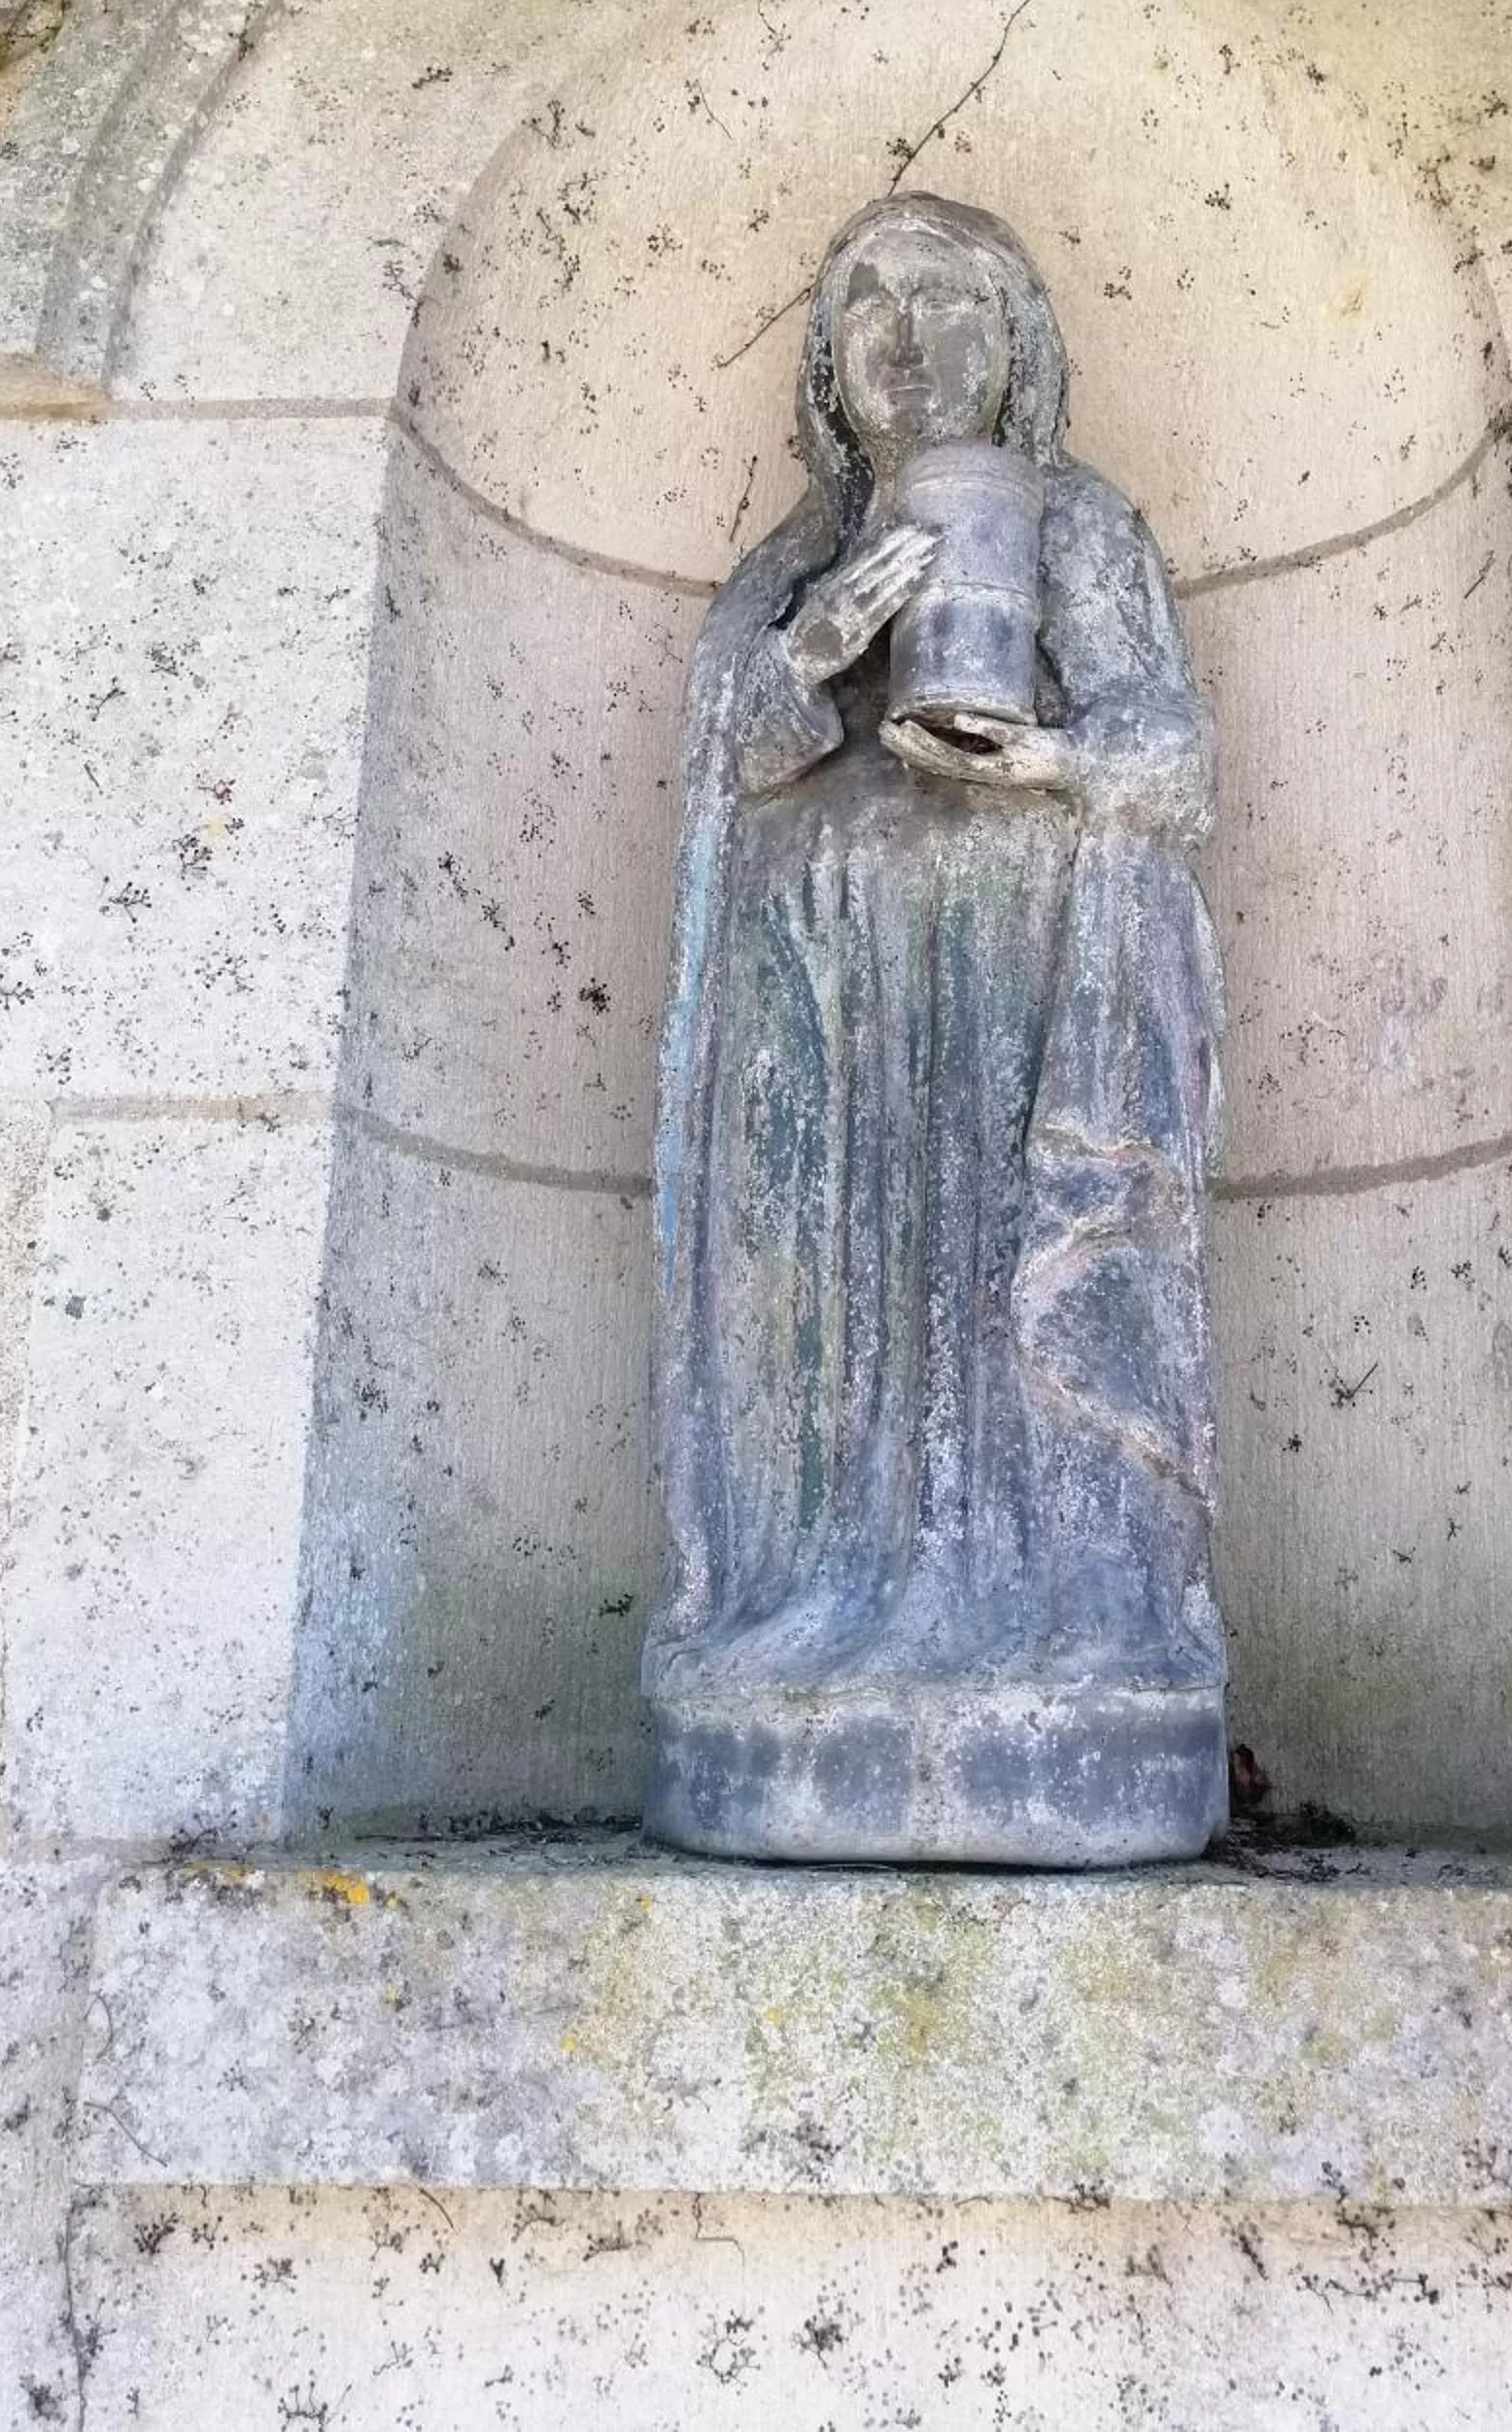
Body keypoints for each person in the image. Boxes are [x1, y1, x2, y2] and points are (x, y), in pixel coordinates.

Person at [643, 191, 1229, 1862]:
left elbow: (1171, 755)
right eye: (871, 311)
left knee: (1011, 1301)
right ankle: (808, 1609)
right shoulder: (788, 567)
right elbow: (723, 780)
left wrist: (1049, 761)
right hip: (824, 1008)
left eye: (955, 302)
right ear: (826, 369)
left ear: (1019, 340)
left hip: (1023, 996)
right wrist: (815, 647)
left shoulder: (1074, 525)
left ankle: (1072, 1618)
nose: (911, 343)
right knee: (824, 1321)